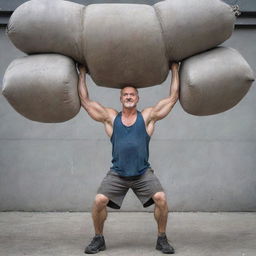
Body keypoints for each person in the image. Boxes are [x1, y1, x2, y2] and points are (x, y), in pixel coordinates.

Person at [78, 63, 180, 254]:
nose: (129, 97)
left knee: (161, 198)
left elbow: (172, 98)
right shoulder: (111, 118)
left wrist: (175, 69)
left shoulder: (148, 117)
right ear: (120, 98)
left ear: (137, 98)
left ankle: (162, 238)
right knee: (99, 200)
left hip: (142, 172)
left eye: (132, 94)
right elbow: (85, 101)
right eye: (125, 94)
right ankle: (98, 238)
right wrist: (82, 73)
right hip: (118, 173)